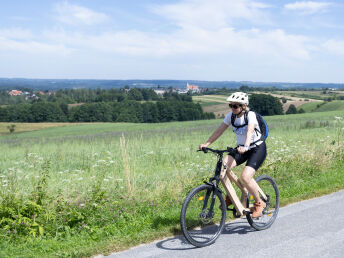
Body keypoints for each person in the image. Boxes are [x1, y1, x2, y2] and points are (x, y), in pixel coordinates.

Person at [199, 92, 267, 218]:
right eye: (231, 105)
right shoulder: (231, 116)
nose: (232, 108)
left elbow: (250, 131)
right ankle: (231, 196)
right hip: (241, 148)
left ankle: (259, 203)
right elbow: (219, 130)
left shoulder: (250, 115)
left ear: (244, 106)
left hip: (256, 148)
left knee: (245, 177)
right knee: (223, 168)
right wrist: (207, 144)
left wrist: (246, 146)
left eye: (235, 106)